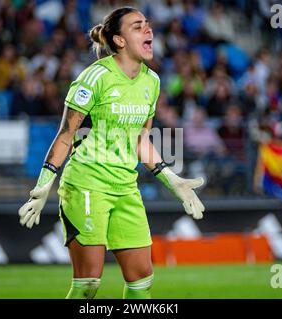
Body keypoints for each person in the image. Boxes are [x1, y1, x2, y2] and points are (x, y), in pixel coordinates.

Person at [17, 7, 205, 299]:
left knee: (142, 279)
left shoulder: (152, 82)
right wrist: (44, 184)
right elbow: (66, 134)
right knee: (89, 282)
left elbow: (142, 139)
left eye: (148, 25)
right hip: (86, 184)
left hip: (126, 188)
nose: (148, 31)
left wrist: (172, 179)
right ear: (119, 40)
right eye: (138, 27)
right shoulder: (94, 78)